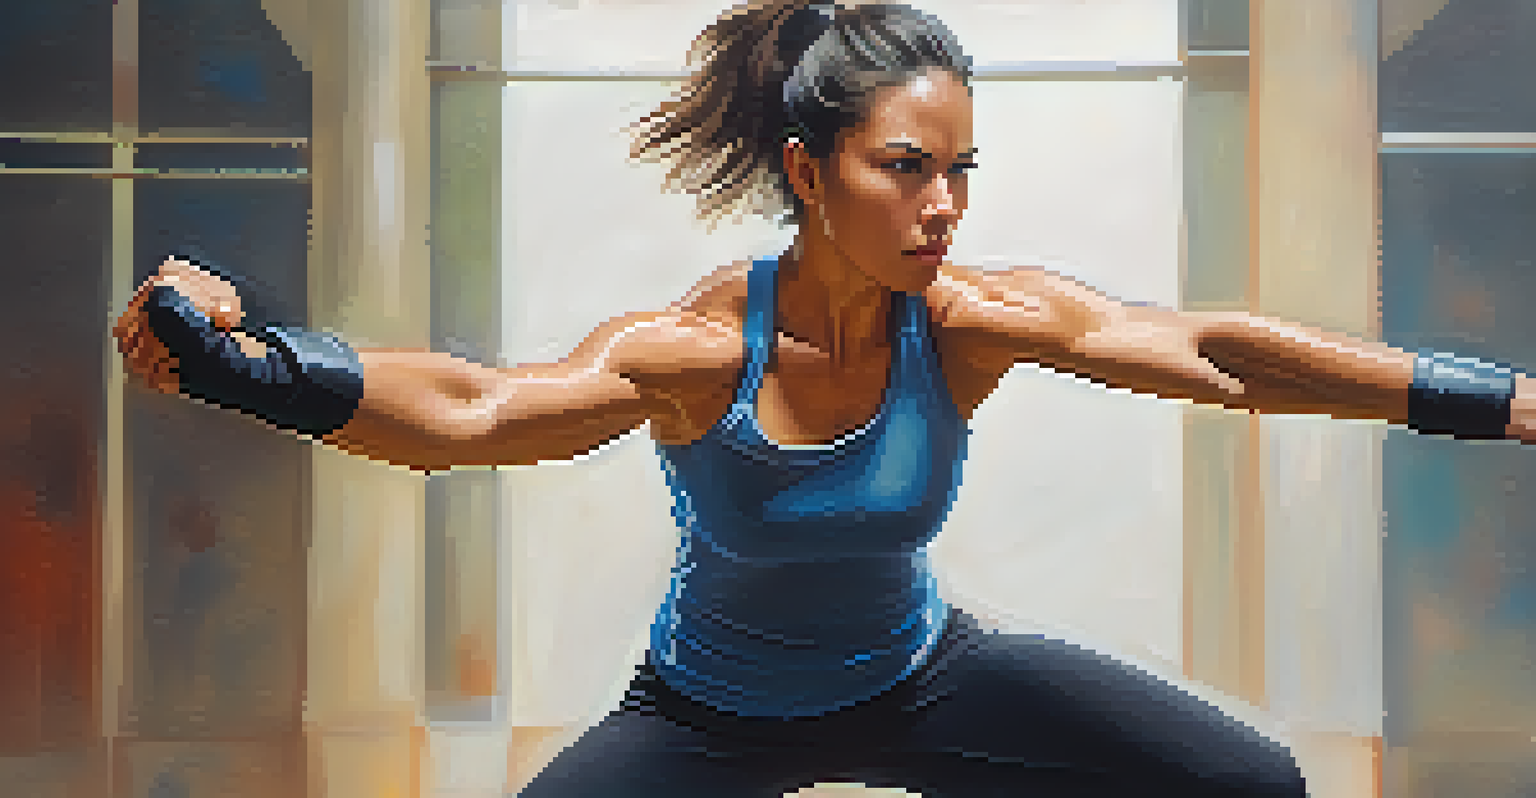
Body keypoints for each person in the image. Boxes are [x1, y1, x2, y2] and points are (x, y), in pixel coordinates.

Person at [112, 2, 1531, 795]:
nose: (943, 205)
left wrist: (1511, 397)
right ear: (809, 171)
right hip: (706, 718)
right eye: (905, 167)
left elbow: (1219, 352)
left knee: (1252, 788)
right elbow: (476, 411)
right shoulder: (699, 348)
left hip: (924, 677)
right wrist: (251, 364)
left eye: (959, 170)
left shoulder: (965, 323)